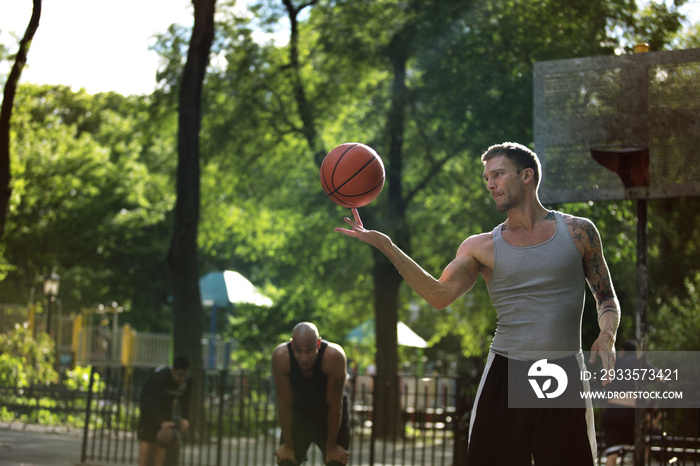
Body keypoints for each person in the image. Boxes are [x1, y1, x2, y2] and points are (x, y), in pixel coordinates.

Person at [335, 142, 620, 465]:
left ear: (527, 175)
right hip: (505, 372)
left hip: (562, 371)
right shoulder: (481, 247)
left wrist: (606, 334)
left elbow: (605, 296)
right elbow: (439, 295)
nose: (490, 184)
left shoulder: (579, 232)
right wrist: (386, 245)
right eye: (487, 178)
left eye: (497, 175)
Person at [271, 322, 351, 466]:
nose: (304, 357)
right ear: (291, 344)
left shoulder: (333, 357)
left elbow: (334, 405)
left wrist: (331, 447)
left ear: (318, 344)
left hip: (329, 414)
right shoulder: (281, 357)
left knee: (336, 461)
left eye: (309, 350)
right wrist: (288, 446)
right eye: (298, 350)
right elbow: (284, 404)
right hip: (299, 413)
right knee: (287, 461)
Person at [137, 356, 191, 466]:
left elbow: (185, 400)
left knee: (163, 438)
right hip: (148, 405)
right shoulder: (160, 379)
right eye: (180, 375)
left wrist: (185, 418)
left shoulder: (187, 381)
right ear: (173, 371)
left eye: (185, 375)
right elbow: (150, 402)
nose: (183, 378)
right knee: (147, 438)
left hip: (166, 407)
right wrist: (161, 421)